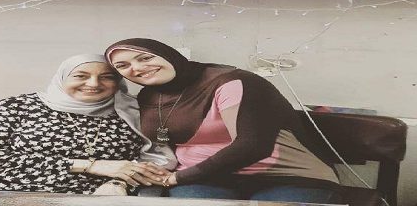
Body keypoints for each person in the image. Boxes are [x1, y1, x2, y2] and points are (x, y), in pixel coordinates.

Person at [105, 38, 342, 203]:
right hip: (203, 180)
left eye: (145, 58)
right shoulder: (147, 95)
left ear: (168, 55)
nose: (137, 68)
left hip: (288, 176)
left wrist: (177, 177)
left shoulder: (234, 82)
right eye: (123, 66)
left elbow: (252, 146)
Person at [0, 54, 176, 195]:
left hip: (96, 197)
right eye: (80, 76)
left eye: (106, 77)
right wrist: (92, 165)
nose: (93, 84)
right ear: (62, 78)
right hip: (6, 192)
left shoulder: (134, 110)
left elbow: (153, 161)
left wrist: (119, 182)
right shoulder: (18, 106)